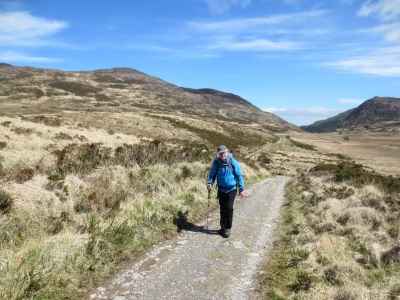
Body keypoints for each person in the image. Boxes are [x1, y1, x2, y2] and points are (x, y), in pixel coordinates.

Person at [207, 145, 245, 238]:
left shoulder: (233, 162)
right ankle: (222, 227)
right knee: (222, 208)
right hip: (221, 189)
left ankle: (228, 228)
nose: (223, 154)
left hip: (231, 189)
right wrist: (210, 183)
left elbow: (239, 175)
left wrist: (241, 189)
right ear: (218, 154)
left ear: (227, 152)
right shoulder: (217, 163)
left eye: (224, 152)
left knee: (229, 208)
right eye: (221, 153)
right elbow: (212, 175)